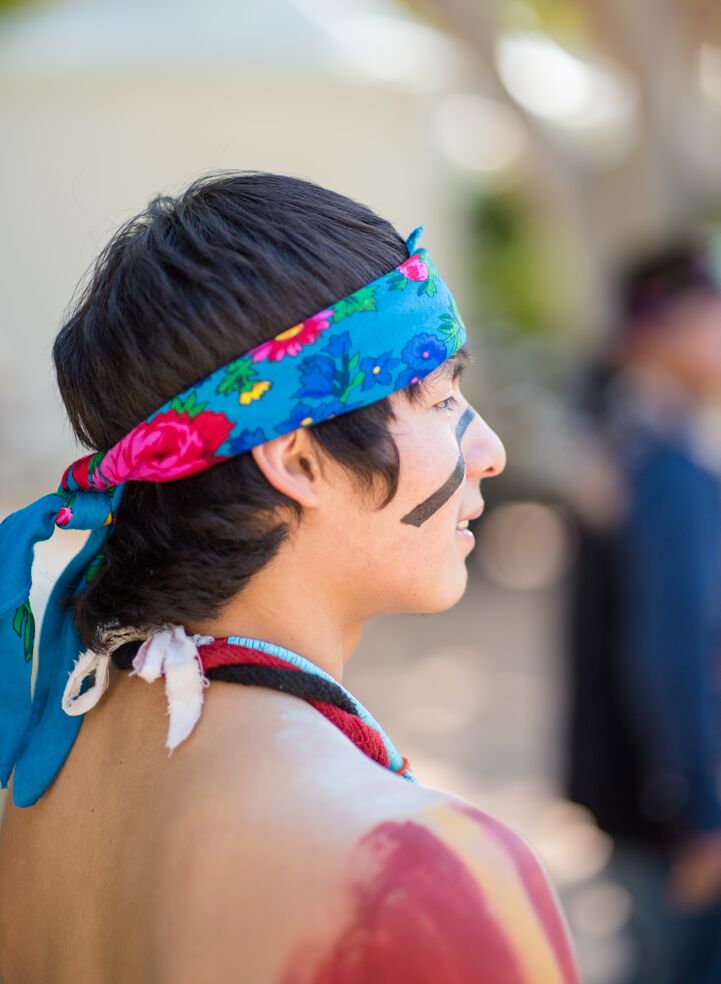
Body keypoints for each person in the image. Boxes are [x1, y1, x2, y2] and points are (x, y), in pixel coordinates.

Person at [0, 172, 577, 983]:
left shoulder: (41, 779)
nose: (489, 451)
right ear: (297, 457)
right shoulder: (414, 879)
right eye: (440, 395)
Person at [564, 237, 721, 983]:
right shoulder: (662, 465)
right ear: (657, 332)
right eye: (709, 315)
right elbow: (670, 646)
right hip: (664, 811)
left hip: (629, 790)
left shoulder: (619, 435)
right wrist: (697, 814)